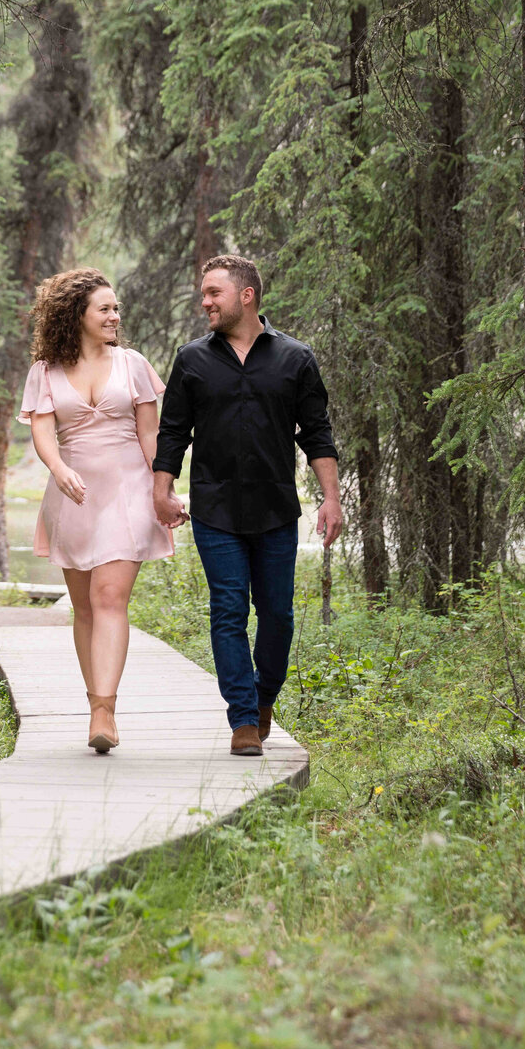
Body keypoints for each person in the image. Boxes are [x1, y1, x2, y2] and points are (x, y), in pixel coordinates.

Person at [152, 254, 342, 756]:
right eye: (204, 293)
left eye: (214, 292)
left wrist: (332, 497)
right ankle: (241, 718)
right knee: (228, 611)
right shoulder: (192, 359)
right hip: (215, 511)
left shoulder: (295, 357)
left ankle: (264, 699)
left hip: (277, 510)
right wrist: (162, 488)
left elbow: (317, 434)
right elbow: (173, 431)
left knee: (277, 615)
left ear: (246, 295)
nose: (205, 301)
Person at [20, 268, 178, 754]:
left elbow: (151, 435)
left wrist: (164, 489)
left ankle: (104, 712)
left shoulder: (132, 364)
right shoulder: (45, 370)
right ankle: (95, 701)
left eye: (116, 309)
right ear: (77, 315)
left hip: (129, 490)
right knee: (85, 607)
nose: (115, 316)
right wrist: (58, 467)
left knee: (111, 598)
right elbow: (43, 431)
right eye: (105, 309)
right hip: (74, 496)